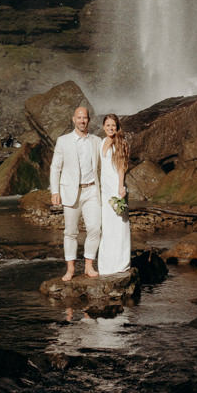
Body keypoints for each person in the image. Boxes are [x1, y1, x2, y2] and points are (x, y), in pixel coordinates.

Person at [49, 104, 103, 282]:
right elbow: (55, 167)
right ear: (74, 119)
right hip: (71, 191)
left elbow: (104, 166)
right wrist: (55, 191)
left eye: (85, 117)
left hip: (92, 190)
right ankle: (70, 269)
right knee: (71, 232)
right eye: (79, 117)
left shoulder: (96, 141)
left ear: (89, 119)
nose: (82, 120)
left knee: (95, 228)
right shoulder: (63, 140)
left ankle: (88, 265)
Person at [97, 113, 132, 275]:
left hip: (115, 187)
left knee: (119, 225)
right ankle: (106, 264)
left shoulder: (121, 143)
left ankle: (121, 263)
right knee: (108, 226)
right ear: (103, 127)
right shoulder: (102, 141)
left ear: (117, 128)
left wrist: (120, 187)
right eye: (108, 125)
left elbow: (121, 167)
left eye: (114, 126)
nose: (111, 128)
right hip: (104, 189)